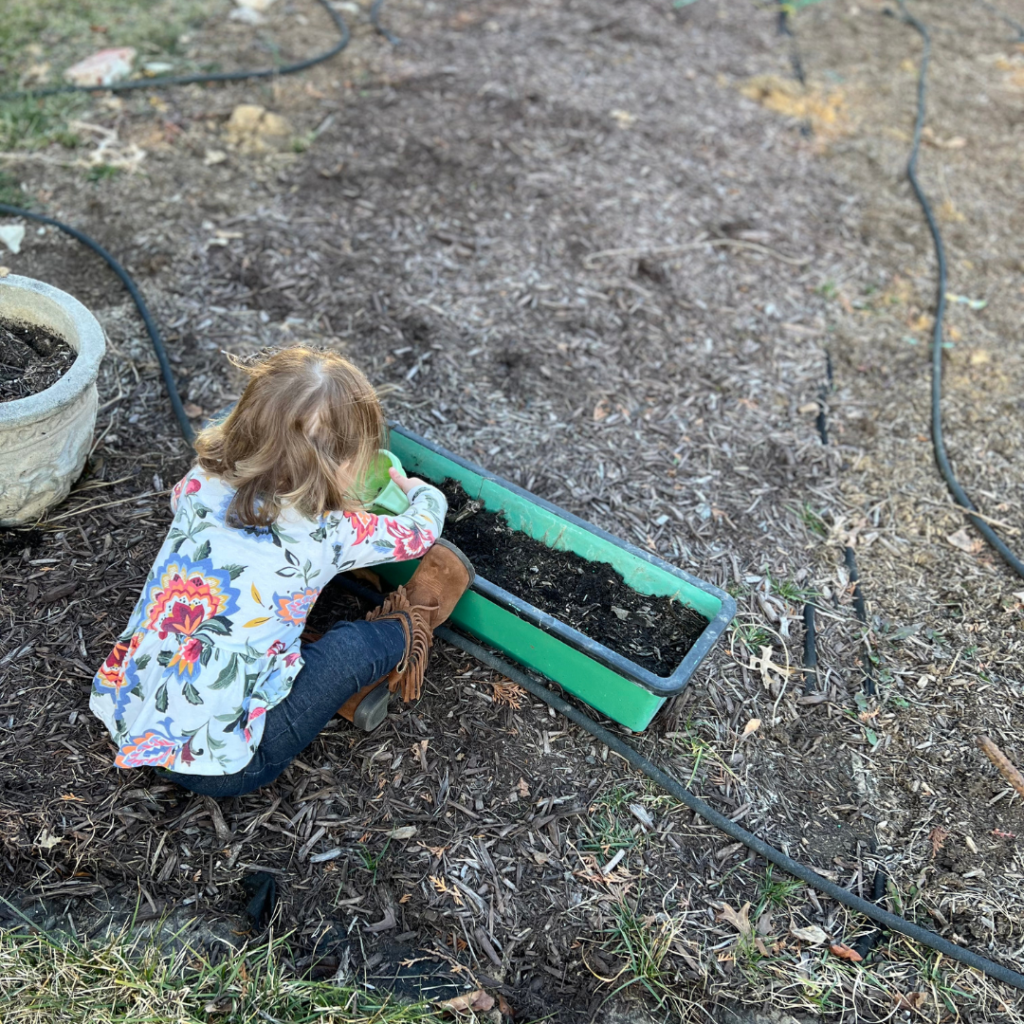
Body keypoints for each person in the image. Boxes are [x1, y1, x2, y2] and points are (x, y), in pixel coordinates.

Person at [88, 346, 474, 797]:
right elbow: (419, 533)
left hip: (129, 712)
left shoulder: (199, 482)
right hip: (231, 766)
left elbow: (182, 506)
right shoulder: (328, 531)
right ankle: (413, 625)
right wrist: (422, 493)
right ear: (344, 467)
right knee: (349, 649)